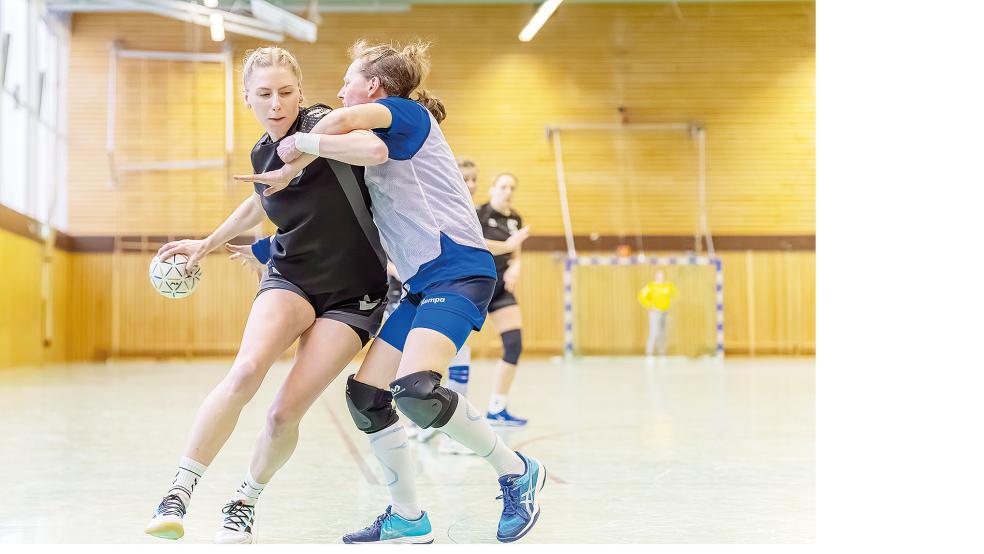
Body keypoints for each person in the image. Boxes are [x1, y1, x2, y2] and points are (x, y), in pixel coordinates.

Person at [235, 39, 546, 544]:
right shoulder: (372, 142)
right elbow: (335, 220)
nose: (339, 91)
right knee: (366, 397)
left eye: (348, 81)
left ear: (374, 88)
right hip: (422, 286)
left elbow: (331, 125)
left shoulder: (403, 114)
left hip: (460, 273)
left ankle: (516, 471)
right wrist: (268, 247)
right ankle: (407, 515)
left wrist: (302, 142)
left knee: (417, 389)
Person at [143, 46, 390, 544]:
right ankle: (178, 492)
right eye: (264, 95)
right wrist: (207, 243)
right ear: (247, 100)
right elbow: (258, 202)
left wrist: (309, 143)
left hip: (354, 295)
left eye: (285, 92)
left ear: (300, 92)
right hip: (293, 276)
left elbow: (372, 149)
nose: (276, 103)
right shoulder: (261, 151)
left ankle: (244, 501)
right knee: (246, 370)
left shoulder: (327, 122)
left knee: (283, 413)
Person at [476, 173, 530, 426]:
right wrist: (508, 246)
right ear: (492, 188)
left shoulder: (515, 218)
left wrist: (515, 266)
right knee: (452, 349)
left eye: (512, 187)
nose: (508, 191)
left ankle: (497, 408)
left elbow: (516, 251)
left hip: (502, 287)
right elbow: (477, 244)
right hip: (477, 286)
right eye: (503, 186)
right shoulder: (479, 213)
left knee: (514, 342)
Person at [640, 269, 678, 356]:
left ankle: (662, 352)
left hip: (665, 312)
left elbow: (675, 295)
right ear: (656, 276)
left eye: (662, 275)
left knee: (663, 332)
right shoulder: (651, 286)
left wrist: (670, 305)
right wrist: (649, 305)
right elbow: (641, 296)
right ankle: (649, 352)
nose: (660, 277)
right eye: (659, 275)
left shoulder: (668, 286)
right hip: (655, 312)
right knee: (654, 332)